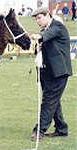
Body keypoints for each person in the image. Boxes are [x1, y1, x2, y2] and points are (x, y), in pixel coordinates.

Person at [29, 7, 72, 141]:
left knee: (48, 101)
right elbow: (41, 50)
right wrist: (38, 47)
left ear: (48, 15)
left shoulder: (57, 26)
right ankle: (61, 128)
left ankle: (39, 131)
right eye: (36, 19)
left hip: (58, 73)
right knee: (54, 101)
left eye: (39, 18)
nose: (38, 21)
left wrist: (40, 37)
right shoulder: (45, 30)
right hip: (46, 73)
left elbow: (49, 34)